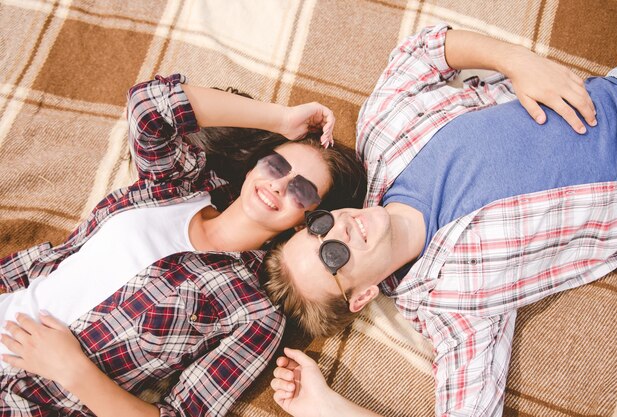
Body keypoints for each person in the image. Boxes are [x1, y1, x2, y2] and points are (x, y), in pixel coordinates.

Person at [265, 24, 617, 416]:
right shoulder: (452, 307)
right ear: (363, 295)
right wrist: (325, 408)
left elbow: (423, 50)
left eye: (319, 227)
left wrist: (519, 62)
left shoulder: (383, 135)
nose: (340, 228)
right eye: (334, 256)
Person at [0, 73, 366, 416]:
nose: (278, 185)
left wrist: (73, 371)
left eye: (302, 190)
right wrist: (283, 119)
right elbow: (148, 104)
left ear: (309, 221)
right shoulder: (175, 188)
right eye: (275, 165)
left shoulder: (256, 314)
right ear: (257, 165)